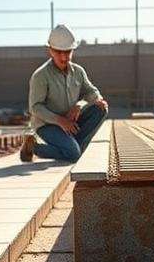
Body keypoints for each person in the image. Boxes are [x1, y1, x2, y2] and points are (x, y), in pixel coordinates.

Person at [20, 24, 109, 162]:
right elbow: (35, 108)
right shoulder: (41, 76)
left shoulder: (78, 72)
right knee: (73, 153)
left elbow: (92, 92)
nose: (63, 57)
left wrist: (80, 104)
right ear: (50, 51)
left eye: (67, 52)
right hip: (48, 125)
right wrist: (60, 121)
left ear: (72, 50)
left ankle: (72, 147)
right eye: (58, 52)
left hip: (71, 121)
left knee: (100, 108)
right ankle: (33, 148)